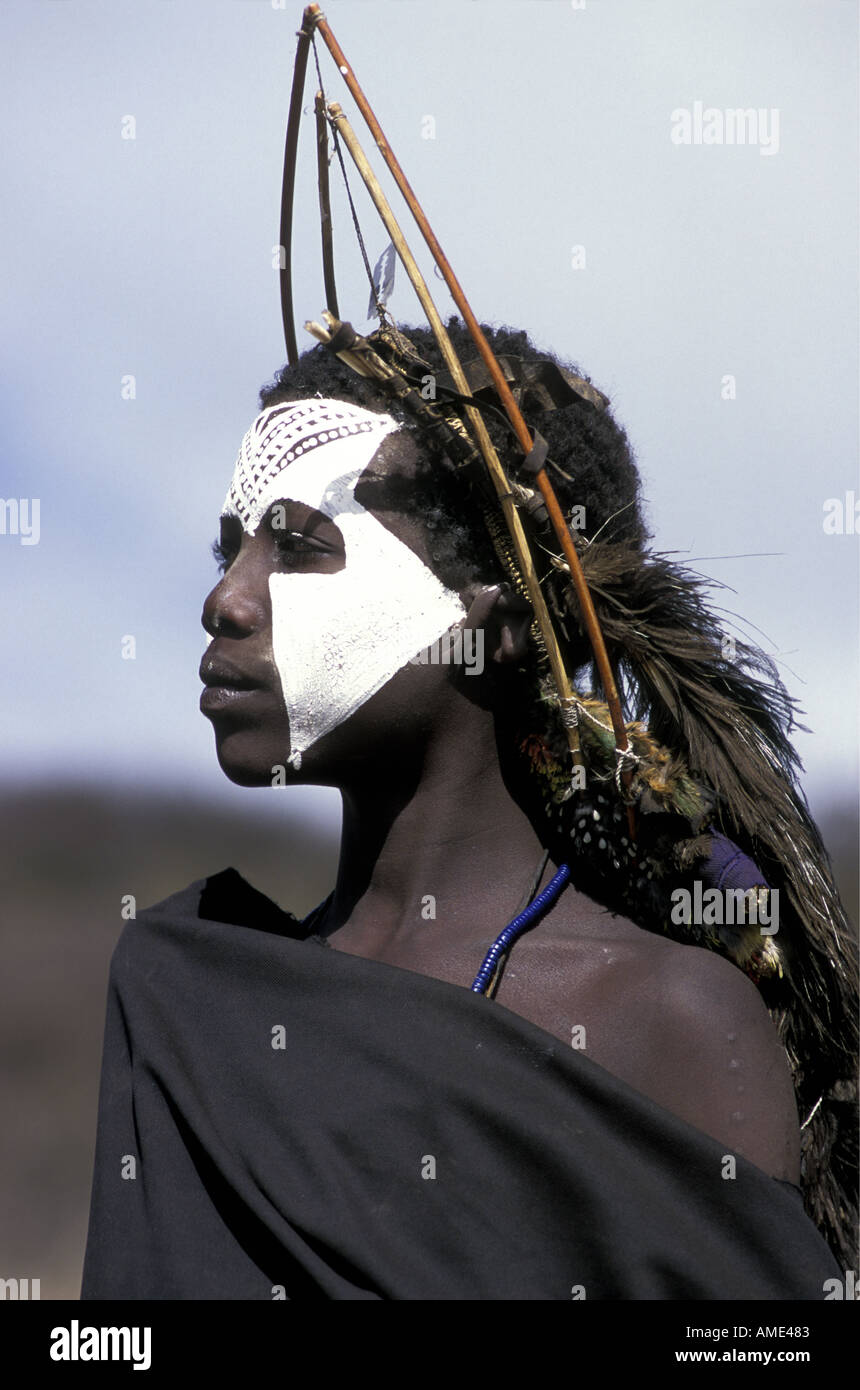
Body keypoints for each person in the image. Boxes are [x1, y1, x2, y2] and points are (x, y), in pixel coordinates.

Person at [80, 319, 856, 1300]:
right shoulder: (193, 998)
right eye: (230, 549)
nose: (227, 601)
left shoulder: (667, 1022)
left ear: (490, 616)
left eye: (298, 549)